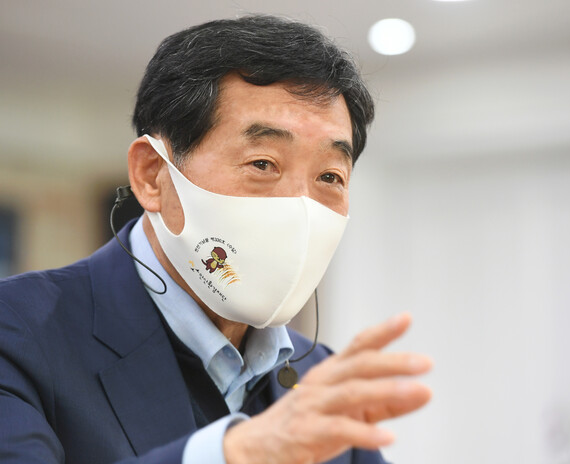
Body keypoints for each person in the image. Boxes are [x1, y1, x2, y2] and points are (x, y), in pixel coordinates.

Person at [0, 15, 432, 464]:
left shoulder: (319, 378)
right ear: (152, 174)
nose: (300, 208)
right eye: (262, 164)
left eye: (329, 176)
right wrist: (238, 452)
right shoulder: (18, 333)